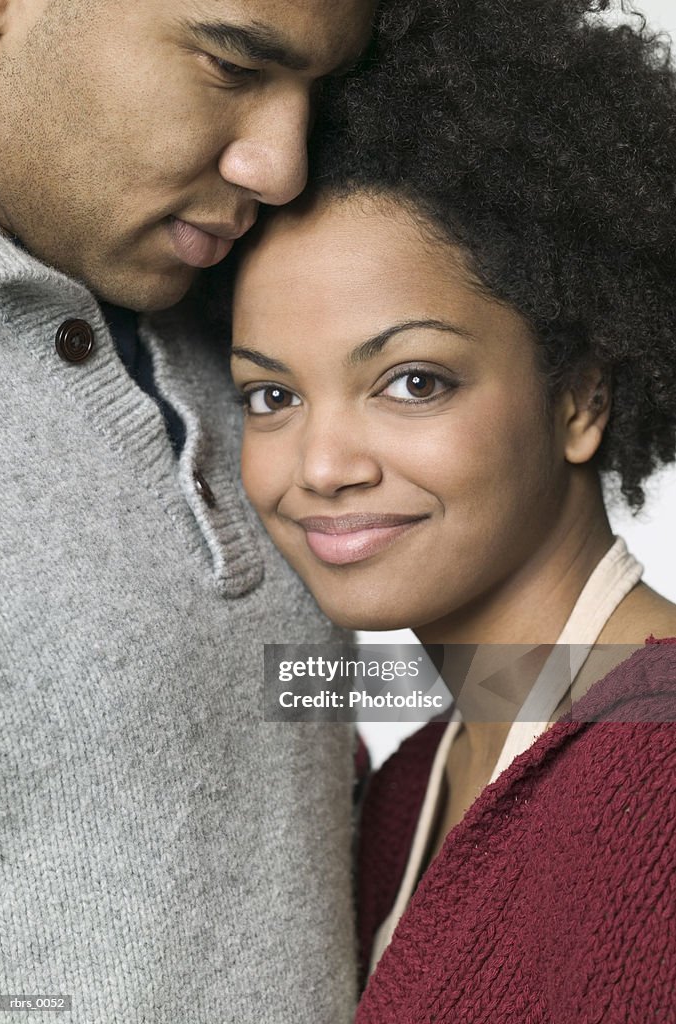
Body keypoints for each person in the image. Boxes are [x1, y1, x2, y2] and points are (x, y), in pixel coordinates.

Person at [228, 0, 676, 1017]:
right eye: (271, 395)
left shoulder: (659, 778)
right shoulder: (408, 790)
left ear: (580, 398)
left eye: (414, 381)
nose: (323, 464)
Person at [0, 1, 375, 1020]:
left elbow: (277, 699)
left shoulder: (259, 349)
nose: (282, 166)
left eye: (320, 94)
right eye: (229, 65)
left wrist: (611, 685)